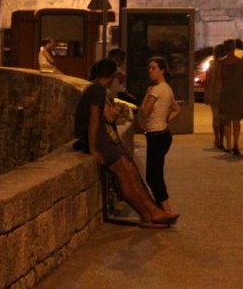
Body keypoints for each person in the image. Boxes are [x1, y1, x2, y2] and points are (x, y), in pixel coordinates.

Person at [74, 58, 176, 227]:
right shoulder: (97, 90)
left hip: (104, 138)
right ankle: (147, 215)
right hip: (100, 140)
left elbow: (105, 117)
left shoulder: (97, 89)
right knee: (125, 176)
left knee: (132, 173)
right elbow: (94, 120)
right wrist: (93, 148)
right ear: (111, 76)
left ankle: (153, 212)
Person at [138, 55, 181, 215]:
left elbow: (144, 111)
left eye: (154, 68)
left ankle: (166, 210)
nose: (150, 71)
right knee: (155, 173)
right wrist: (164, 120)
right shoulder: (167, 88)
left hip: (155, 135)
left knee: (153, 176)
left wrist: (147, 94)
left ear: (162, 70)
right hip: (163, 134)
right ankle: (161, 209)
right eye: (149, 68)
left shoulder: (155, 90)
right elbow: (177, 109)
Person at [213, 40, 243, 155]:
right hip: (238, 93)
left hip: (226, 93)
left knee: (226, 120)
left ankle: (228, 145)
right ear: (234, 48)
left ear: (225, 48)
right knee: (236, 120)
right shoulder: (241, 62)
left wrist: (217, 95)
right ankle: (236, 144)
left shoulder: (221, 63)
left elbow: (219, 80)